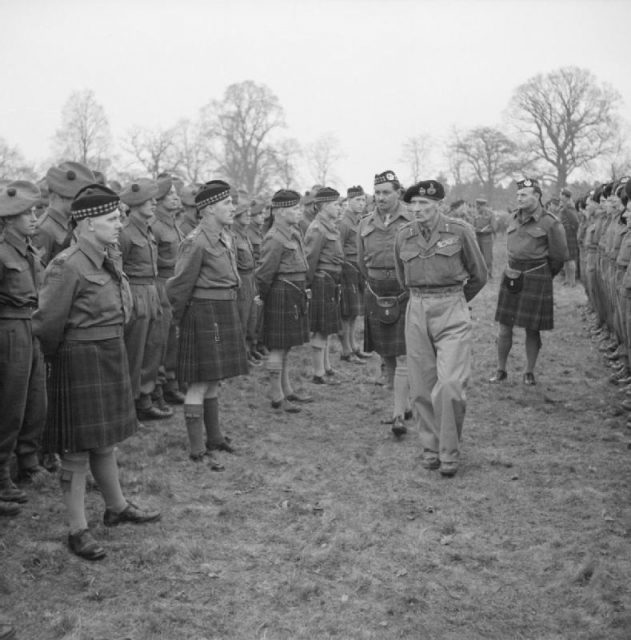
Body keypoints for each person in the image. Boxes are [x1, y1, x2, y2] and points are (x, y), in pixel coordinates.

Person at [33, 184, 161, 561]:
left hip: (108, 353)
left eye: (118, 217)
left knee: (105, 441)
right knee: (75, 451)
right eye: (111, 219)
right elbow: (47, 325)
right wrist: (66, 360)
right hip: (78, 359)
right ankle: (77, 530)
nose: (119, 224)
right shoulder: (67, 264)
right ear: (87, 224)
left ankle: (116, 507)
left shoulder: (107, 257)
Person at [394, 180, 487, 476]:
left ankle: (449, 450)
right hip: (417, 307)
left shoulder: (459, 231)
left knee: (450, 384)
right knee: (421, 383)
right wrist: (420, 302)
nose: (418, 210)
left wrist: (456, 300)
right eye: (414, 204)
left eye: (425, 204)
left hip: (452, 307)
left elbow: (479, 274)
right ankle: (431, 447)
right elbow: (401, 277)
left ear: (440, 205)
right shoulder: (403, 235)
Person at [167, 180, 248, 467]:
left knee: (214, 379)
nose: (233, 208)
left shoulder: (225, 235)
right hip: (203, 312)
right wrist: (178, 321)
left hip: (223, 307)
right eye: (227, 204)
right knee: (199, 382)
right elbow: (178, 286)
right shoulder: (196, 241)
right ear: (210, 209)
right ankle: (197, 448)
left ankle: (215, 438)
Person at [489, 178, 568, 385]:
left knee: (532, 328)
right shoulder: (513, 218)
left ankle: (529, 371)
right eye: (518, 195)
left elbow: (559, 257)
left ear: (537, 196)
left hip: (536, 276)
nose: (519, 198)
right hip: (512, 274)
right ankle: (500, 369)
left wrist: (542, 275)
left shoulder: (550, 222)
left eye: (524, 194)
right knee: (504, 326)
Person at [0, 181, 48, 516]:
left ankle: (28, 459)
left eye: (34, 211)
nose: (33, 217)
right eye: (25, 213)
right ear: (8, 219)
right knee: (10, 405)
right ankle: (2, 473)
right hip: (10, 331)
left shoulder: (29, 249)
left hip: (32, 326)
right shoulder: (3, 253)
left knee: (35, 399)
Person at [358, 170, 413, 436]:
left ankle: (398, 414)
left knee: (403, 354)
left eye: (386, 192)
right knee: (387, 354)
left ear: (398, 193)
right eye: (377, 193)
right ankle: (402, 402)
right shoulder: (365, 222)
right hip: (376, 292)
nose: (380, 197)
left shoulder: (412, 219)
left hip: (404, 291)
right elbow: (360, 261)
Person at [119, 179, 172, 421]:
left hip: (152, 291)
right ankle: (129, 407)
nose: (153, 203)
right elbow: (119, 272)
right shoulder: (125, 233)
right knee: (135, 353)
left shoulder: (147, 229)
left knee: (152, 349)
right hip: (136, 294)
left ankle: (145, 398)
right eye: (149, 200)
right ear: (136, 203)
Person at [255, 189, 312, 412]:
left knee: (286, 345)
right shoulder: (274, 237)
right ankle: (277, 396)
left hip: (293, 291)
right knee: (277, 346)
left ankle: (287, 390)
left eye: (299, 207)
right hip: (281, 292)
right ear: (279, 211)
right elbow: (264, 273)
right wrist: (264, 297)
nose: (298, 212)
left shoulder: (292, 232)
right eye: (294, 208)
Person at [304, 187, 345, 383]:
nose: (340, 208)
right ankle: (318, 373)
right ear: (324, 206)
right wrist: (308, 284)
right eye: (336, 204)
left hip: (330, 280)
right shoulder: (317, 228)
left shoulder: (330, 226)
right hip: (321, 280)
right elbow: (310, 259)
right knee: (321, 327)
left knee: (327, 327)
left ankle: (326, 366)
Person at [151, 174, 186, 405]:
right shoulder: (155, 225)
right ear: (160, 198)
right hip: (162, 284)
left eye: (176, 193)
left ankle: (172, 382)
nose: (175, 198)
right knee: (162, 340)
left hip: (176, 283)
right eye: (170, 194)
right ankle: (159, 388)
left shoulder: (174, 223)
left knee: (175, 338)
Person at [32, 161, 95, 265]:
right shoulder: (44, 229)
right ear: (61, 196)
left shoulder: (70, 222)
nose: (81, 204)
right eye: (77, 199)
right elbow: (39, 272)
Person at [338, 185, 370, 363]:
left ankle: (354, 347)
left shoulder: (360, 221)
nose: (361, 203)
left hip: (358, 268)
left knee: (354, 312)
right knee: (347, 311)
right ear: (348, 201)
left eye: (363, 199)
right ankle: (346, 351)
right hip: (347, 268)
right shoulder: (344, 222)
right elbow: (338, 248)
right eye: (357, 200)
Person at [232, 202, 262, 365]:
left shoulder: (244, 234)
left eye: (249, 212)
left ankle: (250, 349)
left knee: (253, 317)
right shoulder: (232, 236)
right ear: (236, 216)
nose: (248, 215)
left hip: (251, 278)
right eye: (245, 212)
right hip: (241, 280)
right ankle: (241, 354)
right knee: (242, 319)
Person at [472, 197, 495, 277]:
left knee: (487, 257)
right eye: (477, 206)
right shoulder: (475, 214)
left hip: (486, 238)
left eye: (479, 206)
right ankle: (479, 273)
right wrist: (475, 229)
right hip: (477, 237)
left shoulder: (490, 214)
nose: (478, 208)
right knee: (477, 256)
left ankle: (488, 273)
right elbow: (473, 225)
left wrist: (484, 231)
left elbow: (493, 227)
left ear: (484, 206)